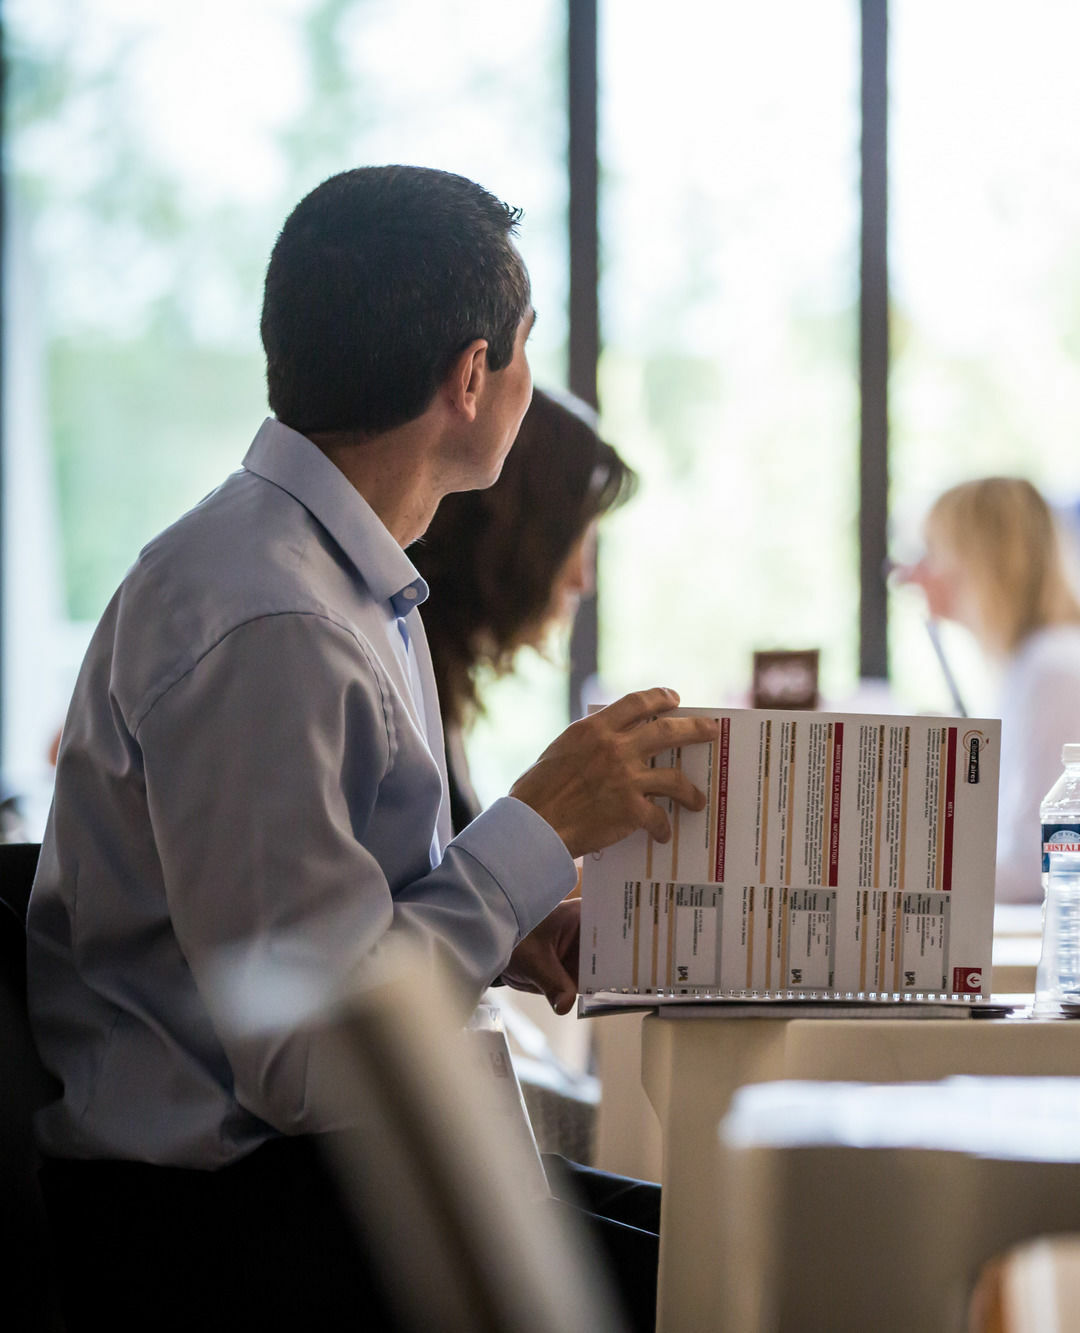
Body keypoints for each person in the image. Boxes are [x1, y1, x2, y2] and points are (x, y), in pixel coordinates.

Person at [25, 166, 709, 1331]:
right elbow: (302, 1055)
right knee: (731, 1285)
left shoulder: (333, 580)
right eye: (527, 348)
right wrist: (531, 831)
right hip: (231, 1232)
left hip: (315, 1186)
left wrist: (505, 921)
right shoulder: (270, 621)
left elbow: (328, 931)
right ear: (471, 377)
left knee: (720, 1243)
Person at [901, 477, 1080, 904]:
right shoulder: (1042, 662)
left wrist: (905, 873)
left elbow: (1038, 863)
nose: (913, 575)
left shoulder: (1055, 672)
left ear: (980, 560)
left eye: (932, 551)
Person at [412, 385, 635, 835]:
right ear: (524, 537)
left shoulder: (437, 680)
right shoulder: (409, 674)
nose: (582, 580)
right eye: (578, 540)